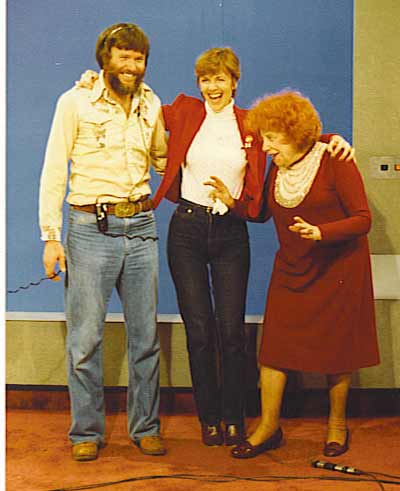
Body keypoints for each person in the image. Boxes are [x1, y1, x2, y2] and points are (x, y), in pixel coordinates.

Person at [76, 48, 353, 448]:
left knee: (231, 331)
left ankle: (235, 418)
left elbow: (294, 133)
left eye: (220, 79)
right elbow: (139, 101)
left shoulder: (250, 124)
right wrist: (93, 82)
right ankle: (209, 419)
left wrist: (332, 139)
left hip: (230, 232)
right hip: (186, 230)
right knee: (200, 331)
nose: (212, 87)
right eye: (206, 79)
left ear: (235, 81)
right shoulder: (186, 111)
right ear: (198, 83)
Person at [207, 89, 380, 459]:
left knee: (337, 351)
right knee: (273, 349)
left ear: (296, 133)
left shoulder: (334, 157)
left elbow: (363, 219)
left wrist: (322, 232)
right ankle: (268, 427)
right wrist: (230, 201)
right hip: (293, 267)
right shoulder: (278, 166)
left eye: (272, 138)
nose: (266, 147)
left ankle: (337, 425)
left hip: (338, 267)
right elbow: (263, 213)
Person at [39, 22, 168, 461]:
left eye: (139, 58)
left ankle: (145, 427)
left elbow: (163, 157)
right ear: (105, 58)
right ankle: (86, 433)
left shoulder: (152, 105)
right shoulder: (74, 101)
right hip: (90, 230)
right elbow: (55, 169)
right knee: (85, 340)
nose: (132, 66)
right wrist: (51, 238)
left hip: (142, 226)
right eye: (124, 56)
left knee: (145, 338)